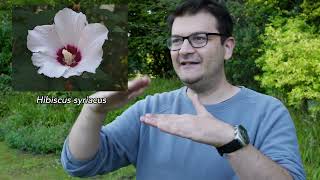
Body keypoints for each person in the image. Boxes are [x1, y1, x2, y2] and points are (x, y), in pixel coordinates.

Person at [61, 0, 306, 179]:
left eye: (199, 38)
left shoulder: (268, 112)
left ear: (228, 47)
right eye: (177, 40)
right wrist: (93, 111)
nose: (185, 50)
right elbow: (81, 164)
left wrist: (229, 141)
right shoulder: (152, 109)